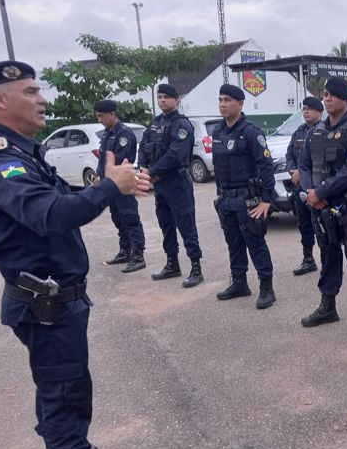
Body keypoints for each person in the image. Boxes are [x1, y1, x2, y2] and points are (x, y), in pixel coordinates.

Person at [0, 61, 145, 449]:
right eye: (30, 91)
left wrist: (105, 186)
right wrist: (108, 187)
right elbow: (51, 215)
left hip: (49, 295)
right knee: (65, 388)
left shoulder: (23, 153)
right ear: (0, 100)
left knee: (55, 383)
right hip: (44, 300)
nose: (42, 99)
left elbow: (59, 200)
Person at [297, 77, 347, 341]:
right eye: (325, 93)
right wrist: (312, 193)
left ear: (345, 99)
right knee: (328, 259)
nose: (327, 98)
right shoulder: (315, 131)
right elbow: (305, 164)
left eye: (332, 94)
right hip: (320, 209)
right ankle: (328, 307)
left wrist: (320, 192)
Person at [212, 84, 277, 309]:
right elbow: (219, 168)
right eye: (220, 100)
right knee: (234, 244)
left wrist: (266, 200)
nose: (223, 104)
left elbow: (266, 166)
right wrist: (219, 197)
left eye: (228, 100)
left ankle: (267, 288)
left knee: (255, 243)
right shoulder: (217, 132)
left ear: (240, 104)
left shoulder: (251, 132)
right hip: (226, 200)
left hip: (247, 199)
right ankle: (239, 282)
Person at [138, 84, 204, 287]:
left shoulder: (182, 124)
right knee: (166, 225)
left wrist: (153, 172)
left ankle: (196, 268)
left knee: (186, 225)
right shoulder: (155, 123)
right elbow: (143, 146)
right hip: (159, 184)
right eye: (159, 97)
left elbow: (176, 154)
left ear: (177, 100)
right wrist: (143, 168)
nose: (162, 100)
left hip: (177, 182)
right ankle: (172, 264)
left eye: (166, 97)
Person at [94, 99, 146, 273]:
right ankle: (125, 251)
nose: (99, 119)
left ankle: (138, 256)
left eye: (102, 116)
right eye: (98, 116)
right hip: (110, 185)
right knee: (117, 218)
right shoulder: (108, 134)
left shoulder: (124, 134)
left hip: (122, 184)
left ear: (112, 114)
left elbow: (120, 161)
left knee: (130, 218)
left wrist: (107, 178)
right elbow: (104, 159)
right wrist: (99, 175)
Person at [285, 97, 324, 276]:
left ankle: (327, 259)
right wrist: (293, 171)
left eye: (309, 109)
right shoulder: (299, 132)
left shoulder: (324, 131)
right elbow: (289, 155)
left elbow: (321, 159)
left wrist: (302, 172)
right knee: (304, 224)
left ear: (319, 111)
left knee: (322, 225)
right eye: (304, 109)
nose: (306, 112)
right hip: (299, 189)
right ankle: (308, 259)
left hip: (318, 188)